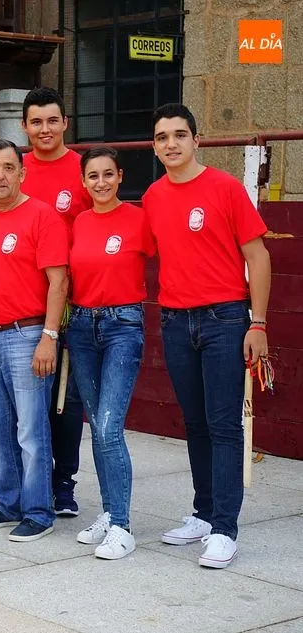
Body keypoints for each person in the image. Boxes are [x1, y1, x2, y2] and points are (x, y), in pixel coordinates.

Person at [145, 103, 271, 569]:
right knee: (194, 423)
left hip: (225, 319)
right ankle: (202, 514)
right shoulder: (154, 197)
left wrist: (257, 322)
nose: (172, 143)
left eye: (180, 134)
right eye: (162, 137)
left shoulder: (225, 187)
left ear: (196, 140)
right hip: (176, 320)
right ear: (155, 147)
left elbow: (257, 257)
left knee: (223, 426)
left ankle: (224, 528)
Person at [0, 138, 69, 542]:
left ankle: (39, 511)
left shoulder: (42, 216)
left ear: (22, 172)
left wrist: (48, 336)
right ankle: (8, 504)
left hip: (27, 334)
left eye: (8, 167)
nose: (0, 175)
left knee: (30, 430)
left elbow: (58, 281)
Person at [67, 147, 154, 560]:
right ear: (83, 182)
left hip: (123, 326)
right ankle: (107, 510)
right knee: (95, 426)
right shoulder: (80, 221)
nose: (100, 183)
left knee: (108, 427)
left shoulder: (140, 218)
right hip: (82, 327)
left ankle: (121, 524)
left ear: (120, 176)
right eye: (92, 176)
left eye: (107, 174)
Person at [19, 86, 93, 517]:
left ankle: (63, 484)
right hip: (18, 306)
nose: (44, 129)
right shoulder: (14, 166)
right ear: (25, 126)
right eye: (36, 121)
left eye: (52, 121)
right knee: (28, 404)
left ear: (65, 123)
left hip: (71, 304)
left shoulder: (83, 169)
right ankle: (31, 483)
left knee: (66, 402)